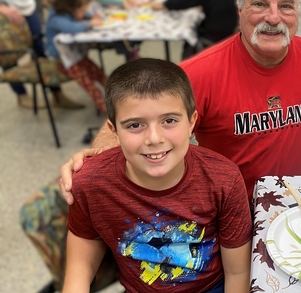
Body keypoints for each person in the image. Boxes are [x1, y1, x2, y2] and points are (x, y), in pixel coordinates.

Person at [20, 0, 301, 291]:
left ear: (298, 12)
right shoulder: (203, 72)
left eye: (285, 6)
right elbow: (142, 109)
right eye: (259, 3)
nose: (273, 16)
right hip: (220, 221)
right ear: (240, 8)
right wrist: (96, 155)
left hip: (294, 209)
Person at [62, 58, 252, 292]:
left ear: (191, 122)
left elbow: (238, 271)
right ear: (114, 131)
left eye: (169, 120)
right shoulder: (90, 183)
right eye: (134, 125)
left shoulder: (224, 179)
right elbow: (81, 257)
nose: (154, 138)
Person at [46, 0, 108, 114]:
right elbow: (71, 28)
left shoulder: (67, 11)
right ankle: (108, 111)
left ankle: (119, 97)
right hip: (61, 60)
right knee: (89, 83)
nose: (83, 13)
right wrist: (90, 22)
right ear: (68, 7)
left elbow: (83, 15)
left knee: (97, 72)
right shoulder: (56, 18)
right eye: (80, 10)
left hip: (75, 56)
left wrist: (90, 16)